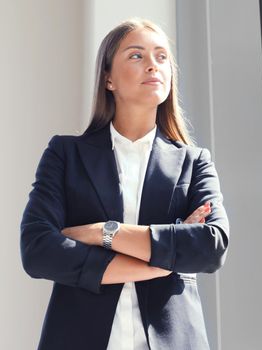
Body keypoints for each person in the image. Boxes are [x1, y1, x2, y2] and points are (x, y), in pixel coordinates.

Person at [20, 17, 229, 350]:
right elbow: (37, 250)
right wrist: (163, 263)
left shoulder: (194, 161)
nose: (152, 65)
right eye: (136, 56)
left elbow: (210, 246)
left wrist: (105, 232)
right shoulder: (66, 154)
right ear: (108, 79)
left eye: (161, 57)